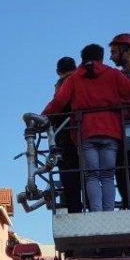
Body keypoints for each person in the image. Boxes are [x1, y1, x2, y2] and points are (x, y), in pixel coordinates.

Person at [42, 44, 130, 213]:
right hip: (111, 132)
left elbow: (58, 102)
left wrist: (42, 117)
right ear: (100, 57)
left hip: (85, 133)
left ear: (83, 59)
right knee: (108, 176)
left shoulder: (74, 78)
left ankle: (97, 213)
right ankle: (108, 212)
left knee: (91, 176)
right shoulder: (113, 74)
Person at [52, 56, 83, 212]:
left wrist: (45, 118)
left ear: (58, 71)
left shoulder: (64, 84)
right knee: (91, 175)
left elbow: (58, 105)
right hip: (85, 133)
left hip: (66, 135)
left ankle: (74, 209)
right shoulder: (82, 80)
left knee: (69, 176)